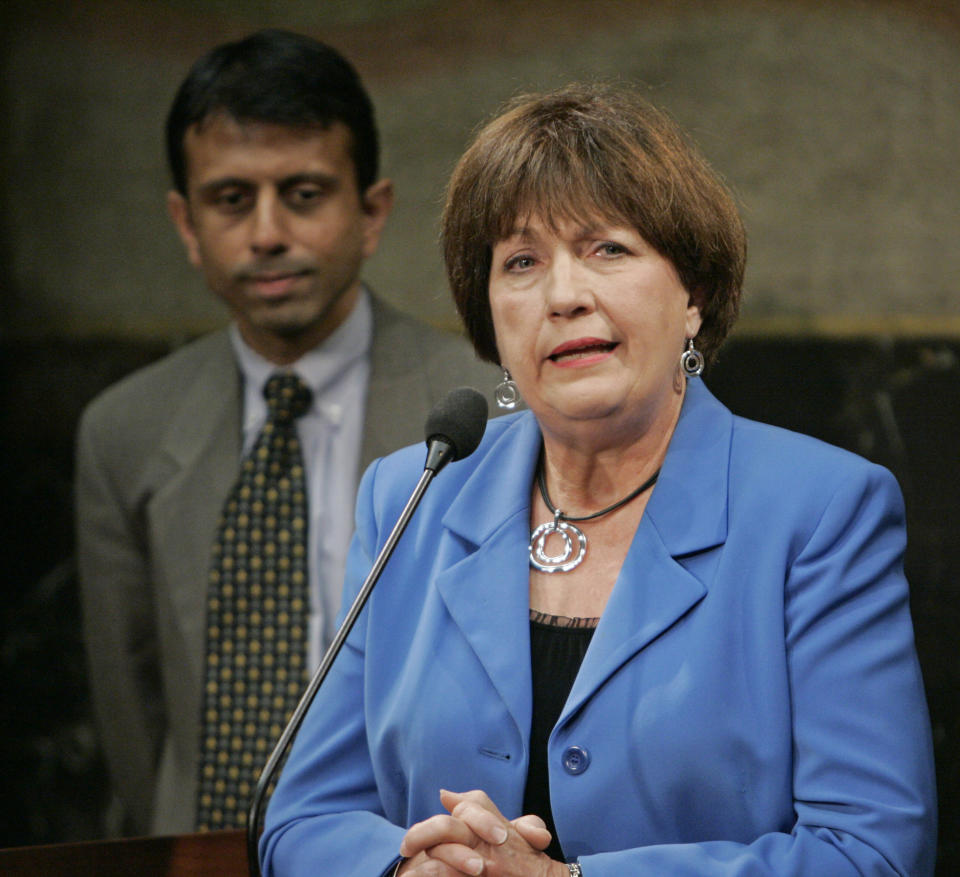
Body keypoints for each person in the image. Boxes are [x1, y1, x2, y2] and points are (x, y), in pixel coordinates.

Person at [259, 84, 937, 876]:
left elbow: (872, 854)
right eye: (520, 261)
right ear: (489, 319)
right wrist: (411, 870)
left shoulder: (819, 510)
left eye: (607, 248)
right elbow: (301, 818)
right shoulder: (412, 492)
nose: (563, 295)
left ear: (695, 295)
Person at [75, 29, 493, 837]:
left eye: (303, 194)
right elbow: (132, 717)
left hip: (411, 850)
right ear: (186, 222)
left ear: (371, 212)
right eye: (231, 200)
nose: (267, 232)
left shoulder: (480, 409)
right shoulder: (123, 430)